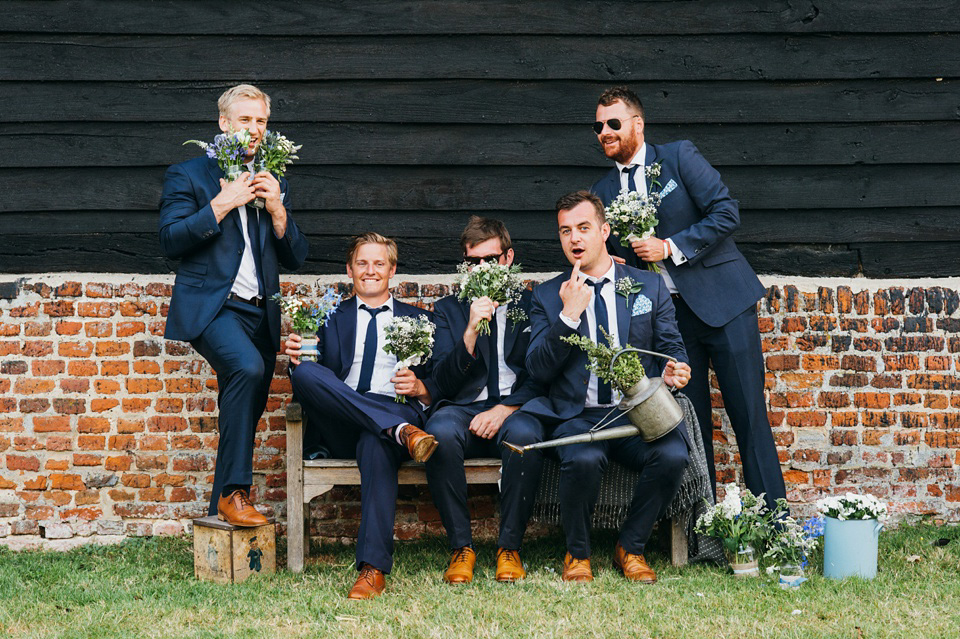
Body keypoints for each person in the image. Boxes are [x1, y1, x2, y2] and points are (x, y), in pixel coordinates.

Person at [589, 86, 786, 508]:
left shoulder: (678, 157)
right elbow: (611, 261)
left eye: (613, 123)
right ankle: (708, 527)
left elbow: (726, 212)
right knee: (690, 426)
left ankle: (774, 523)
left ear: (637, 124)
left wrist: (669, 247)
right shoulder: (601, 191)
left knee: (750, 418)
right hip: (671, 324)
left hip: (725, 305)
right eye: (598, 126)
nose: (604, 131)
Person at [522, 191, 692, 583]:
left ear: (604, 231)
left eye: (583, 228)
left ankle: (630, 548)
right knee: (583, 457)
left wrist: (673, 371)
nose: (574, 239)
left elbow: (670, 349)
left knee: (672, 454)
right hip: (579, 415)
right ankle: (577, 554)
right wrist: (568, 317)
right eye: (565, 231)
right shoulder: (548, 295)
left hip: (637, 413)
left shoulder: (647, 287)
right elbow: (537, 370)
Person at [159, 84, 308, 526]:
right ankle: (238, 492)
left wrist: (278, 209)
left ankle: (219, 520)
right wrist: (221, 205)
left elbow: (296, 256)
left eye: (261, 121)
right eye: (245, 120)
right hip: (213, 308)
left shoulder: (273, 176)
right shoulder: (187, 174)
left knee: (242, 409)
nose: (255, 129)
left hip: (260, 312)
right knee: (246, 368)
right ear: (224, 123)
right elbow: (170, 240)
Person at [285, 232, 436, 600]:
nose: (371, 271)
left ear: (392, 269)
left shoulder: (421, 321)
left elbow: (441, 381)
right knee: (304, 372)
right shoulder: (327, 317)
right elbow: (311, 380)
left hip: (391, 415)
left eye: (379, 263)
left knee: (376, 441)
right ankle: (399, 430)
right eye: (363, 264)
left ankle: (372, 570)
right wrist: (295, 355)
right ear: (349, 269)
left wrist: (421, 388)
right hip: (341, 423)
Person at [424, 216, 544, 585]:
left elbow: (543, 373)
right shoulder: (449, 310)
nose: (481, 269)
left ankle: (509, 548)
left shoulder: (533, 303)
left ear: (508, 258)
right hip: (463, 409)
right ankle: (462, 547)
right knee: (439, 433)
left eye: (489, 261)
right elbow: (442, 382)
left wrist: (506, 408)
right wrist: (471, 329)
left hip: (515, 407)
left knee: (525, 436)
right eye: (473, 262)